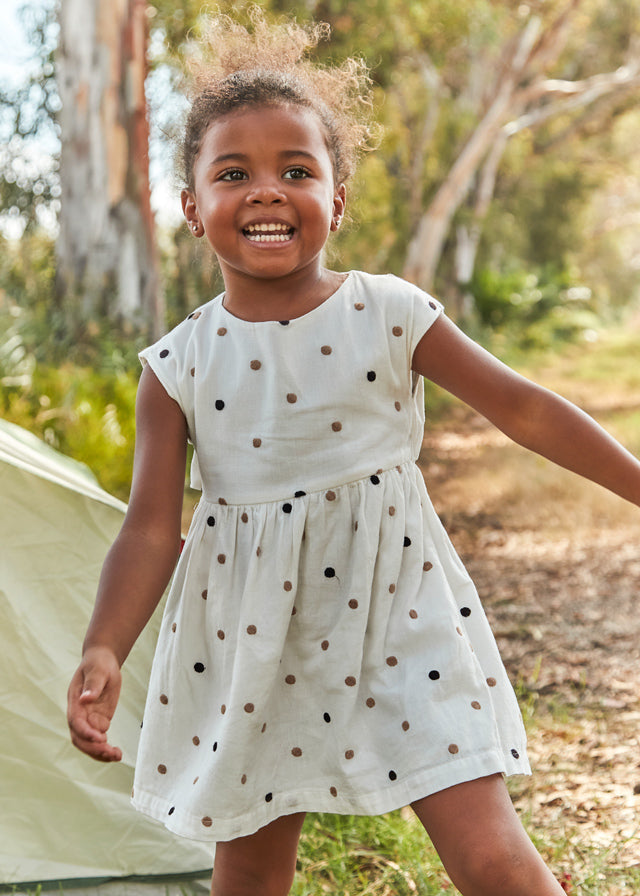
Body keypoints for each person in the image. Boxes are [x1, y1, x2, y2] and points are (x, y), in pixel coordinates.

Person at [67, 12, 640, 896]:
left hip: (401, 613)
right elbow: (150, 532)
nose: (266, 191)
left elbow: (523, 409)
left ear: (336, 200)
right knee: (252, 864)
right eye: (233, 174)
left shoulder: (389, 312)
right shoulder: (176, 367)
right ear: (191, 209)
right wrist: (105, 645)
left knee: (486, 847)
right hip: (249, 638)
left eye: (297, 170)